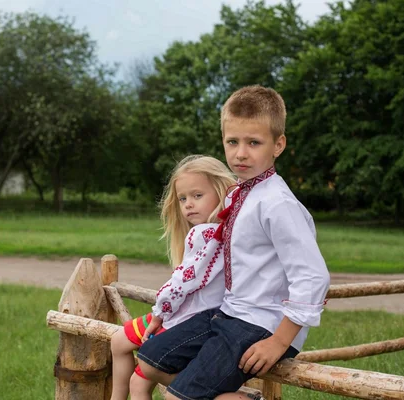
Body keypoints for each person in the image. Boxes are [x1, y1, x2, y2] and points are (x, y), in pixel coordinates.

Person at [136, 85, 331, 400]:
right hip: (229, 312)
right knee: (150, 359)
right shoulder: (241, 192)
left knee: (176, 397)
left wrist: (279, 342)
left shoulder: (277, 202)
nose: (241, 153)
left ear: (278, 144)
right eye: (232, 142)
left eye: (254, 142)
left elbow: (313, 277)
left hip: (263, 323)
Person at [110, 155, 236, 400]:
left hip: (182, 319)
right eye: (183, 198)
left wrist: (160, 308)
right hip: (186, 315)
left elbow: (183, 280)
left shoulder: (206, 234)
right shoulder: (222, 233)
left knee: (120, 346)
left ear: (221, 193)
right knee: (136, 376)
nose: (188, 204)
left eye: (197, 196)